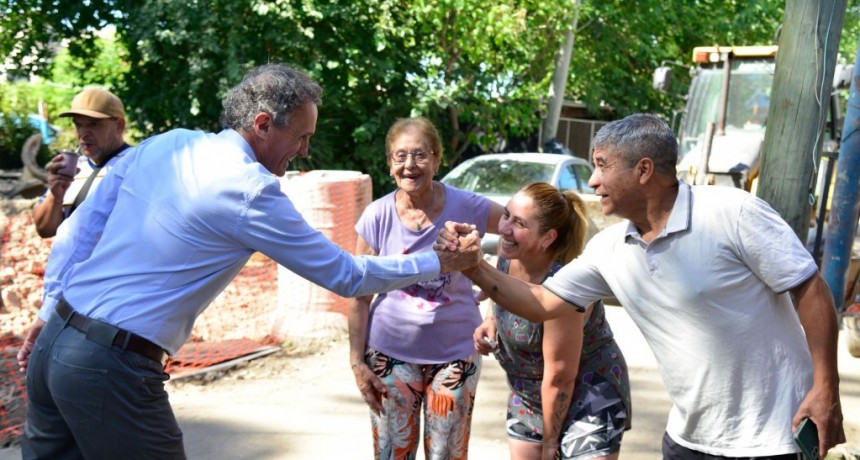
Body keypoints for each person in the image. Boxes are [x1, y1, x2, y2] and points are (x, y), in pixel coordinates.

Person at [16, 64, 481, 460]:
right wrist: (439, 262)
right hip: (109, 364)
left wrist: (48, 310)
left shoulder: (168, 144)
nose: (304, 151)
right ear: (262, 124)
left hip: (57, 337)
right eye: (301, 137)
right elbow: (347, 275)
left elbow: (84, 228)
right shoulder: (250, 189)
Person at [437, 113, 844, 459]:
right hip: (688, 438)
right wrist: (474, 267)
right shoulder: (610, 248)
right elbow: (542, 302)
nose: (592, 181)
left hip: (772, 434)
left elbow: (809, 288)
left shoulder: (732, 212)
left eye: (601, 165)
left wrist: (826, 386)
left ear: (643, 170)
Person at [347, 116, 504, 459]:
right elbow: (359, 296)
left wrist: (496, 300)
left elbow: (517, 232)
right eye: (400, 156)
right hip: (388, 352)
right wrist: (357, 363)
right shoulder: (376, 216)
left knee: (446, 454)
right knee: (393, 453)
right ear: (389, 164)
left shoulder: (468, 206)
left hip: (456, 353)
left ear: (436, 158)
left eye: (420, 155)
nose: (409, 165)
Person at [472, 182, 630, 460]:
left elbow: (559, 375)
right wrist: (491, 321)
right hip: (528, 393)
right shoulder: (509, 254)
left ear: (547, 238)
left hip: (588, 393)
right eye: (506, 215)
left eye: (519, 222)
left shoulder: (564, 287)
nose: (504, 228)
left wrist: (549, 444)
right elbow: (503, 293)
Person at [32, 87, 131, 238]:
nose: (83, 133)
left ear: (119, 125)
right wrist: (55, 195)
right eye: (78, 124)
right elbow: (45, 230)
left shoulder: (136, 165)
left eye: (94, 124)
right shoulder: (73, 167)